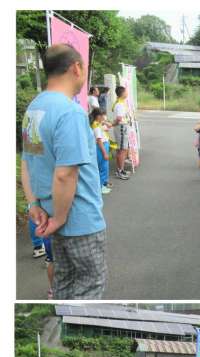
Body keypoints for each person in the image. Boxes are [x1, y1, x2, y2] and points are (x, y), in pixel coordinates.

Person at [21, 43, 107, 300]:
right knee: (90, 286)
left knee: (64, 283)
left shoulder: (33, 109)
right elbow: (65, 174)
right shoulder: (70, 112)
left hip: (50, 215)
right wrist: (59, 218)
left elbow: (27, 161)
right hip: (78, 218)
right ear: (76, 68)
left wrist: (34, 204)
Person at [90, 108, 112, 195]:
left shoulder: (98, 123)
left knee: (103, 166)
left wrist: (104, 122)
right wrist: (104, 153)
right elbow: (99, 140)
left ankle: (102, 184)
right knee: (103, 167)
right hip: (101, 147)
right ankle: (100, 187)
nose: (103, 117)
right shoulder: (96, 126)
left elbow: (109, 126)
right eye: (102, 115)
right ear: (98, 116)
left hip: (103, 146)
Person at [113, 85, 131, 180]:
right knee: (121, 150)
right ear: (122, 93)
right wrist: (113, 124)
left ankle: (121, 169)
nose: (127, 93)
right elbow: (119, 118)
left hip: (122, 127)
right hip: (121, 127)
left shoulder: (120, 102)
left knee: (121, 150)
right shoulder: (119, 104)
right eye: (126, 91)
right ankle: (120, 171)